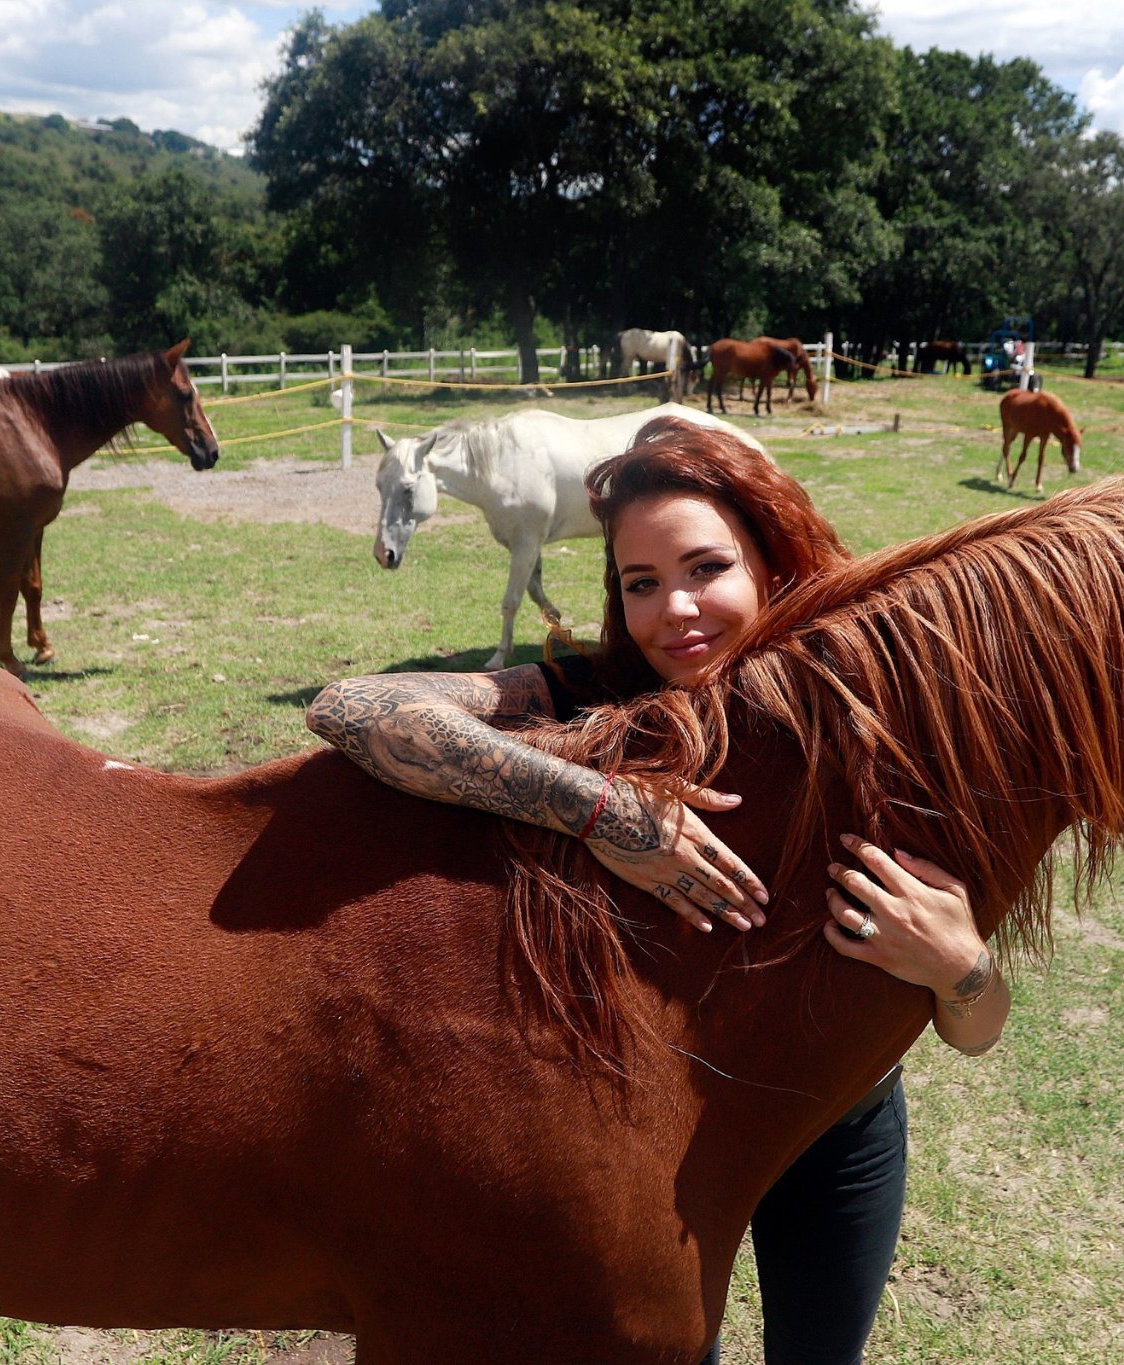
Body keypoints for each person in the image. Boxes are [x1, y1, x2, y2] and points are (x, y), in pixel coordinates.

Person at [307, 416, 1010, 1364]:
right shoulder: (600, 697)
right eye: (641, 583)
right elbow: (352, 706)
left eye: (706, 568)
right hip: (668, 1137)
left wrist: (960, 966)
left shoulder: (877, 722)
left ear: (773, 559)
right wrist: (596, 806)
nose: (674, 609)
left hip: (841, 1136)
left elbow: (979, 1028)